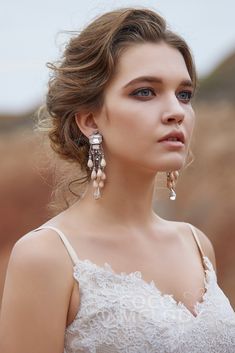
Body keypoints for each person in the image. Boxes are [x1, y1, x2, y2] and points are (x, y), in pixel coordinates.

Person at [0, 7, 234, 353]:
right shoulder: (46, 256)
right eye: (145, 92)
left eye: (184, 94)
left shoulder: (197, 245)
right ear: (90, 120)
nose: (176, 111)